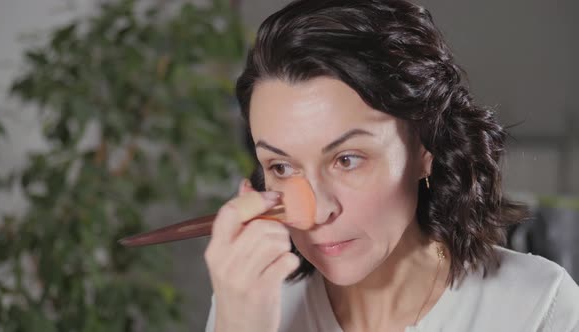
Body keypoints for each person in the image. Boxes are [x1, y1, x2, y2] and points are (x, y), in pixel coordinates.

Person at [203, 0, 579, 331]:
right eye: (281, 167)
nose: (315, 211)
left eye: (347, 160)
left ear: (425, 149)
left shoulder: (535, 308)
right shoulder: (248, 302)